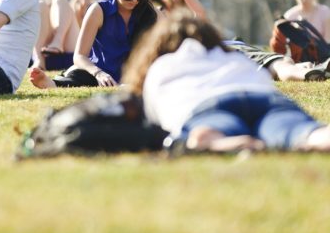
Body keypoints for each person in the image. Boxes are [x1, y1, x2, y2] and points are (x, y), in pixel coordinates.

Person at [123, 11, 330, 152]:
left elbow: (151, 116)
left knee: (216, 127)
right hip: (264, 97)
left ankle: (212, 138)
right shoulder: (231, 57)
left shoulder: (161, 66)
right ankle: (318, 136)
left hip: (208, 105)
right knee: (296, 130)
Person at [30, 0, 159, 89]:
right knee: (79, 73)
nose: (135, 0)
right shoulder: (98, 10)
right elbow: (79, 56)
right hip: (98, 74)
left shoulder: (150, 13)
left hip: (135, 75)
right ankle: (53, 84)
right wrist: (99, 73)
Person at [31, 0, 78, 71]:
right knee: (40, 4)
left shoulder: (67, 6)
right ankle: (38, 59)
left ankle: (57, 42)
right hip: (43, 55)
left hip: (69, 54)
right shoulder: (43, 8)